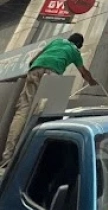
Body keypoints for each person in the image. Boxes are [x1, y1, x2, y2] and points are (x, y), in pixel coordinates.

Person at [0, 33, 97, 168]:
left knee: (22, 111)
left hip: (35, 70)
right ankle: (31, 158)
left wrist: (36, 68)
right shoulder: (74, 51)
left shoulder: (56, 42)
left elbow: (33, 60)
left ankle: (7, 157)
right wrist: (92, 81)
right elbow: (84, 72)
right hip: (52, 74)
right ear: (78, 45)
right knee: (47, 114)